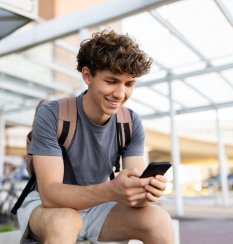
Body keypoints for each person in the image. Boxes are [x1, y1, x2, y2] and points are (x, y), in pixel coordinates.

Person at [17, 30, 174, 244]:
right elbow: (50, 194)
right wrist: (112, 190)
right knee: (65, 220)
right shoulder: (52, 114)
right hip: (49, 208)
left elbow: (134, 190)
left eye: (129, 84)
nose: (120, 94)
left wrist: (143, 193)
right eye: (111, 81)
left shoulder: (130, 123)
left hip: (99, 205)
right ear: (87, 76)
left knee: (159, 220)